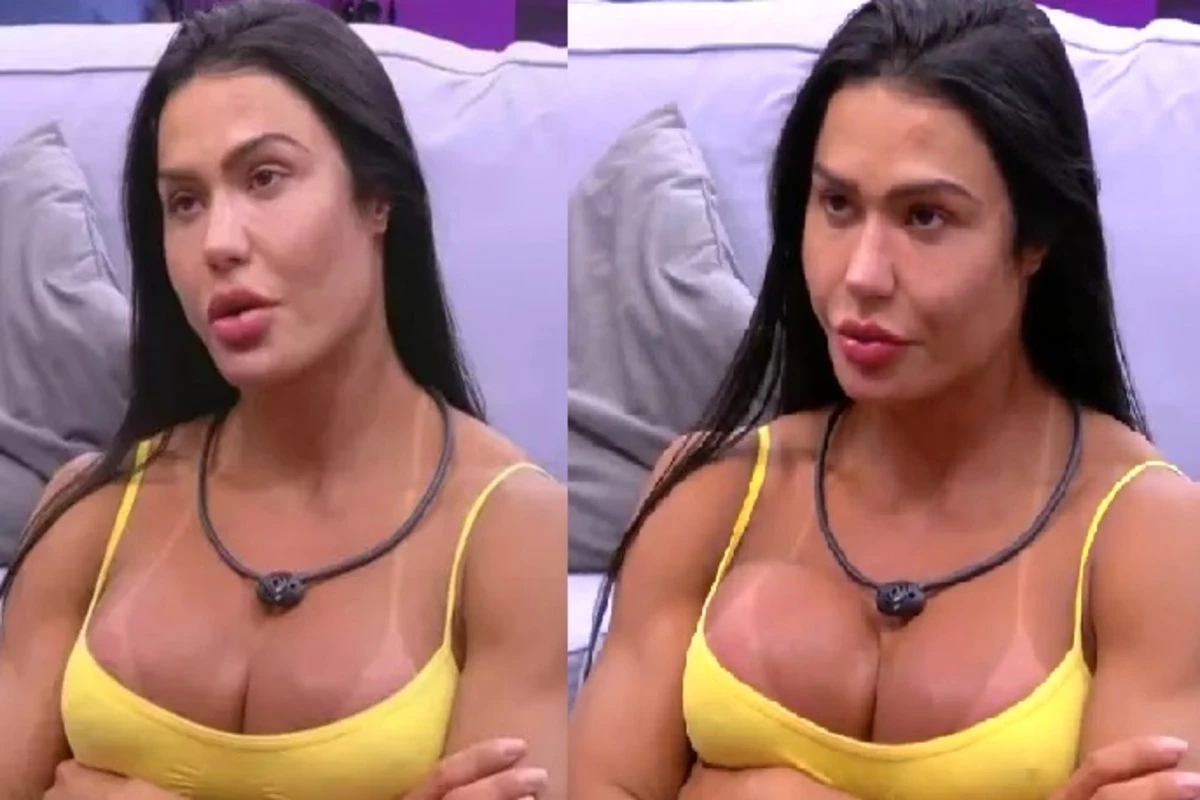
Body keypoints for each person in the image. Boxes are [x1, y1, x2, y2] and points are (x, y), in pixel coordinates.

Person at [569, 0, 1200, 798]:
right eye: (837, 205)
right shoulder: (710, 493)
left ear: (1036, 239)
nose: (861, 274)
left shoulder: (1150, 538)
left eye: (925, 217)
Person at [0, 2, 565, 799]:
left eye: (265, 178)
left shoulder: (512, 530)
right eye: (184, 202)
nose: (218, 243)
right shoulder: (90, 508)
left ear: (378, 196)